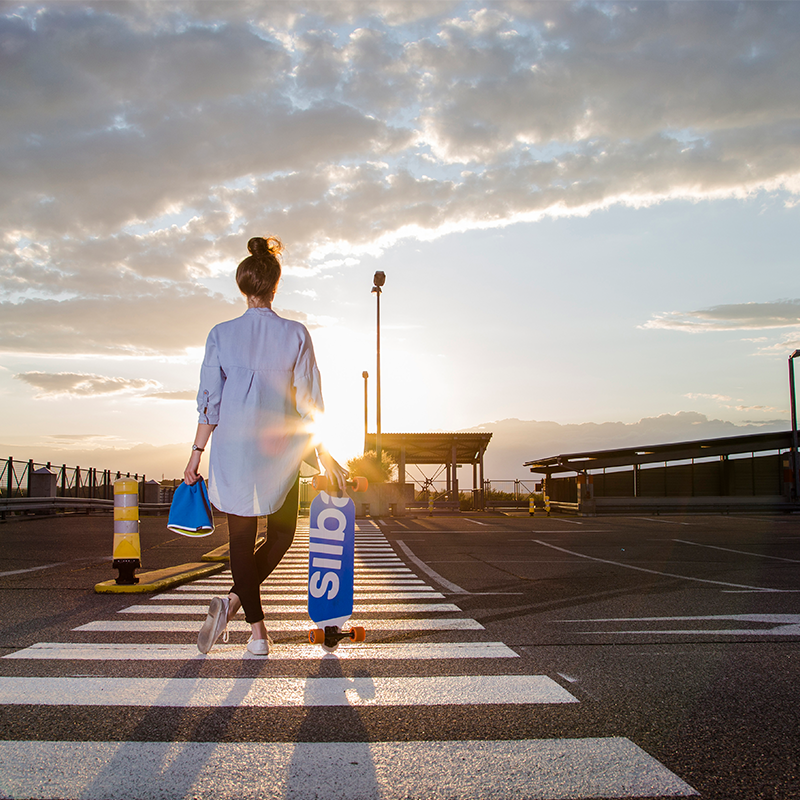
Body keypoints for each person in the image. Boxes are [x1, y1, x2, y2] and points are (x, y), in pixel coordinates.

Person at [184, 235, 348, 656]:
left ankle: (254, 629)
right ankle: (236, 608)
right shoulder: (295, 334)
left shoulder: (220, 334)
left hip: (233, 451)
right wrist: (325, 456)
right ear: (276, 286)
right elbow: (311, 403)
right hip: (281, 452)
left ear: (243, 287)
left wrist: (196, 455)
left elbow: (209, 403)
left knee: (241, 539)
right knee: (281, 536)